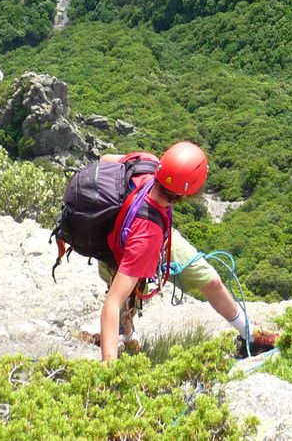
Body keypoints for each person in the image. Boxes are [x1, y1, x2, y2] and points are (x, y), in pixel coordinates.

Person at [96, 141, 278, 361]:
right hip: (137, 239)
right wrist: (108, 374)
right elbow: (111, 303)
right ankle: (125, 334)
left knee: (210, 280)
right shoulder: (147, 235)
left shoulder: (148, 163)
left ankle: (248, 333)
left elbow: (105, 160)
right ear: (187, 193)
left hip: (124, 231)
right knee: (122, 299)